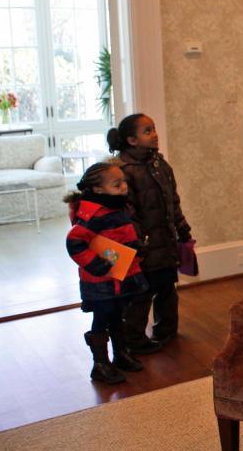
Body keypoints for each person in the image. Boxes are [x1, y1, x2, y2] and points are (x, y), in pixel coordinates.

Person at [108, 113, 192, 353]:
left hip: (165, 241)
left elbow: (172, 202)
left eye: (154, 129)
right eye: (147, 131)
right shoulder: (123, 171)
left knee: (167, 286)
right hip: (142, 246)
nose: (154, 134)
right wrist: (137, 242)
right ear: (132, 140)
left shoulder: (159, 164)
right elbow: (127, 212)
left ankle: (167, 331)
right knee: (141, 292)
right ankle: (133, 340)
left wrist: (183, 229)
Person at [65, 161, 149, 384]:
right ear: (98, 189)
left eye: (123, 182)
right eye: (117, 184)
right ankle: (100, 364)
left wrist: (136, 247)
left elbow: (121, 237)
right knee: (101, 319)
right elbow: (75, 242)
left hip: (121, 277)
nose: (123, 187)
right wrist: (95, 264)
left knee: (118, 317)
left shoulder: (118, 207)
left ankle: (120, 354)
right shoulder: (93, 214)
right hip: (101, 281)